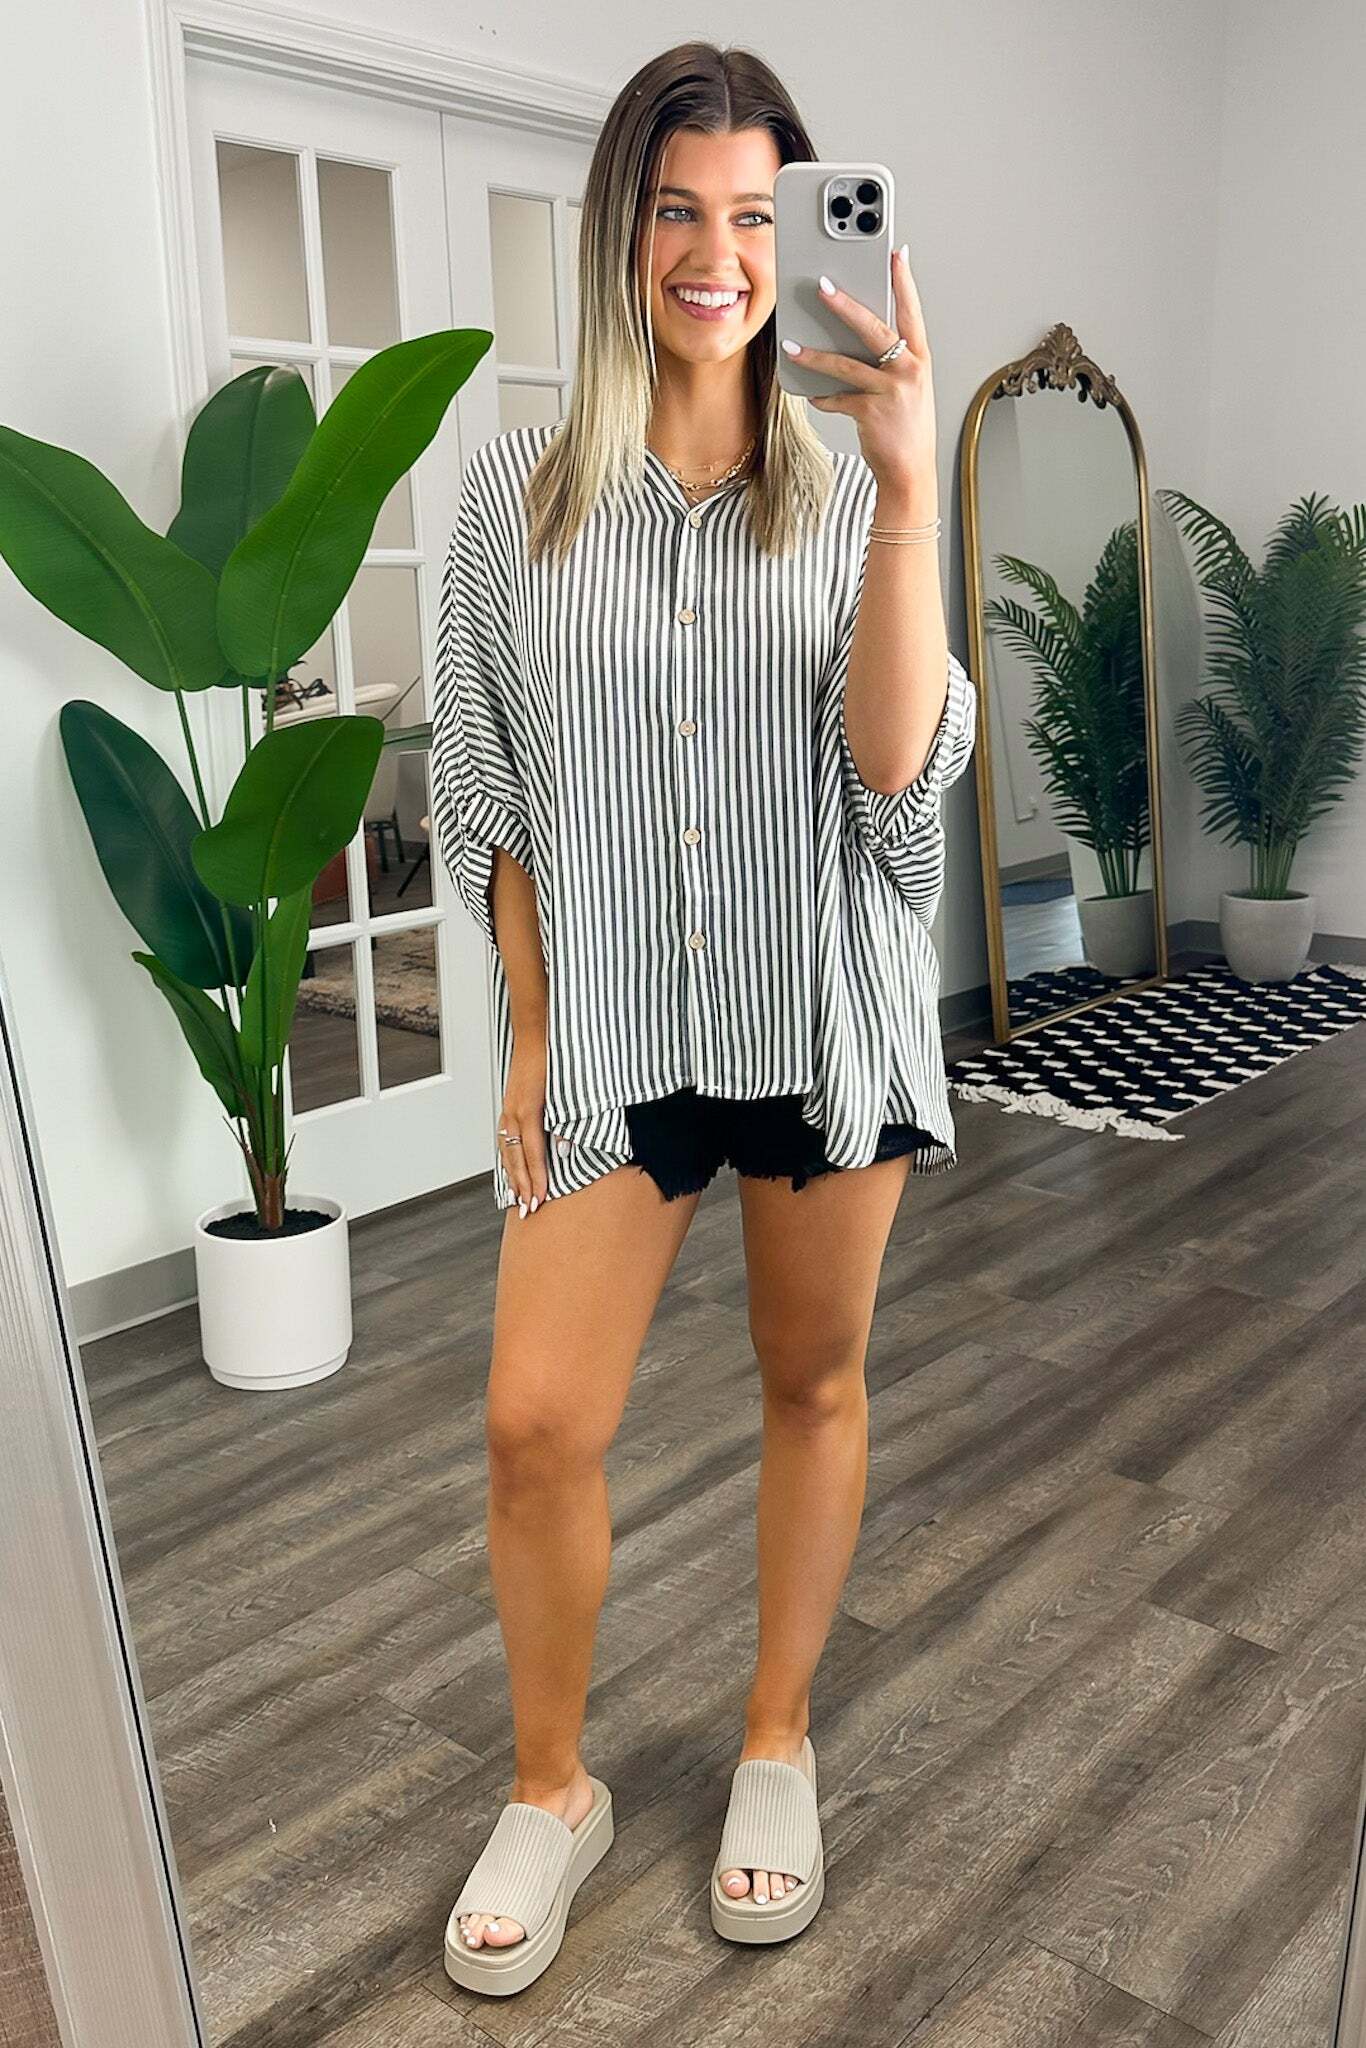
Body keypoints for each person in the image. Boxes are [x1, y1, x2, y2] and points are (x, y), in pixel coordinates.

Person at [430, 39, 978, 1997]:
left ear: (798, 233)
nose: (717, 253)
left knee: (809, 1382)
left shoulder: (846, 484)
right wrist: (524, 1032)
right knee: (532, 1423)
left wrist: (902, 487)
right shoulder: (510, 493)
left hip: (819, 1015)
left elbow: (896, 783)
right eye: (678, 209)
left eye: (757, 214)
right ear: (623, 226)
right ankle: (553, 1784)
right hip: (610, 1033)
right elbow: (489, 783)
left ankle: (772, 1738)